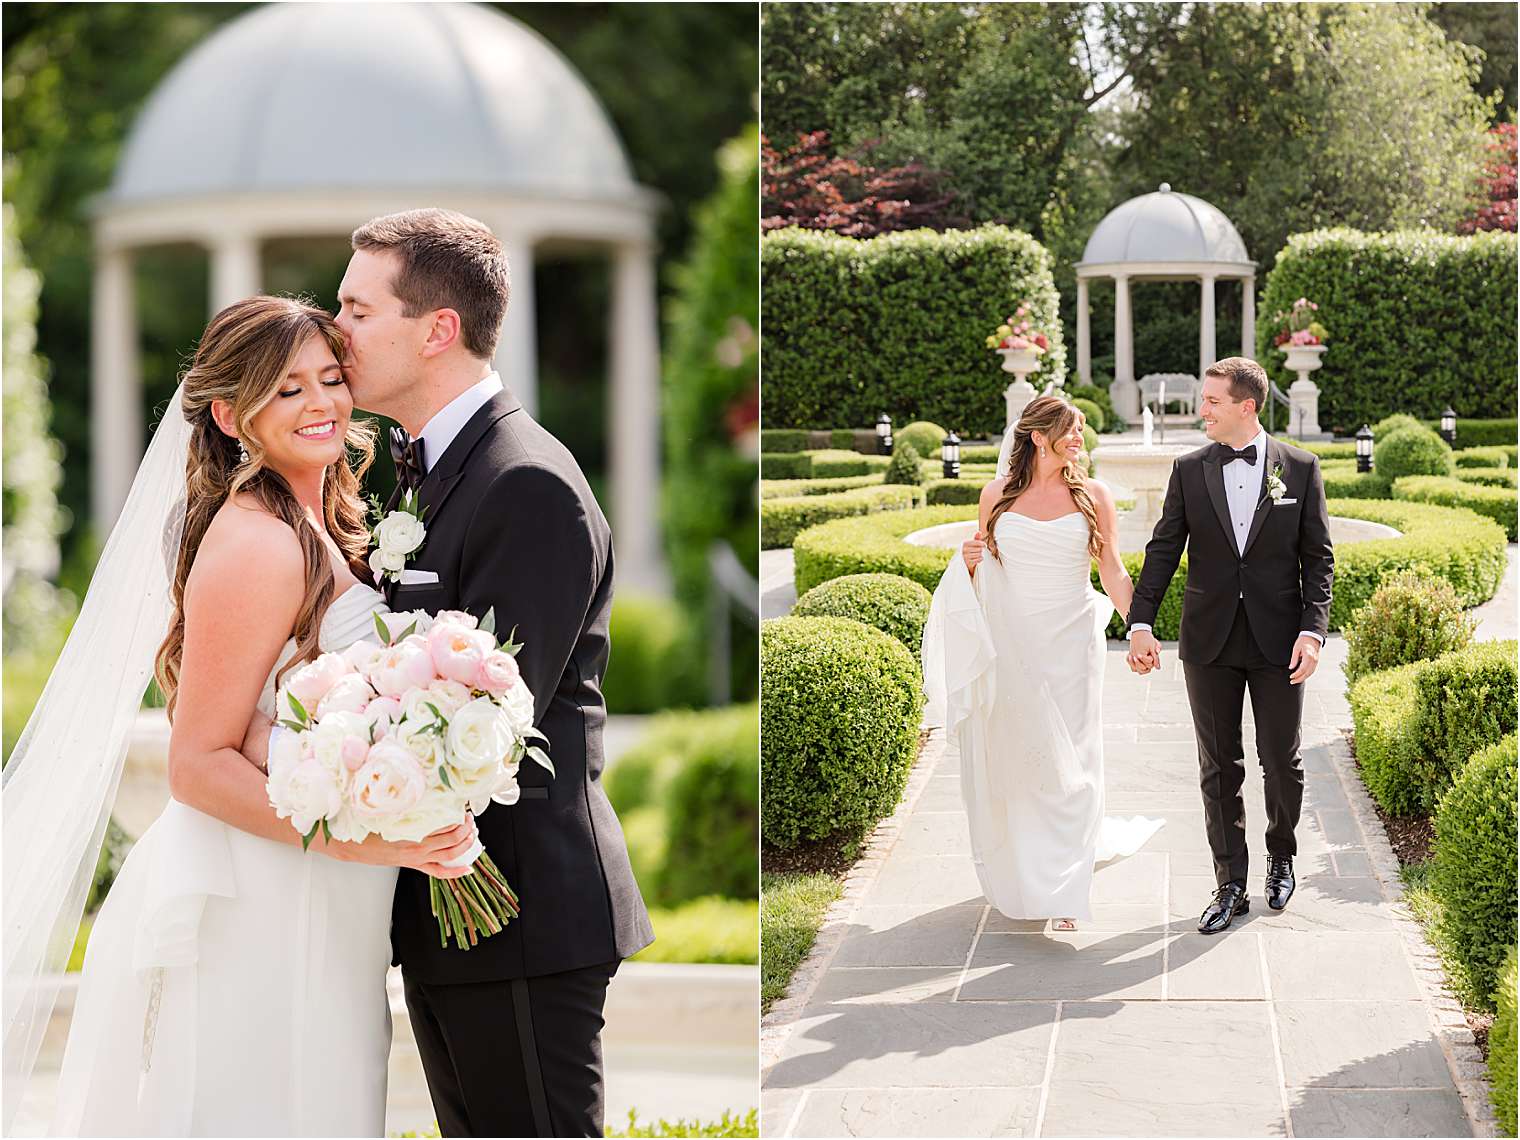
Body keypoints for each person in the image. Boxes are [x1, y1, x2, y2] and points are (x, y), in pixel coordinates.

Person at [6, 296, 479, 1136]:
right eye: (286, 390)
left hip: (324, 891)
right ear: (231, 415)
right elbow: (195, 765)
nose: (322, 404)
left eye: (330, 379)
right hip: (270, 893)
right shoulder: (257, 541)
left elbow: (275, 715)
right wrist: (379, 838)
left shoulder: (314, 520)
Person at [334, 208, 652, 1138]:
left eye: (357, 310)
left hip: (519, 909)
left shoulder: (527, 483)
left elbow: (488, 728)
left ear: (437, 329)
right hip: (450, 911)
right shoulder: (422, 473)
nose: (335, 329)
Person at [923, 395, 1163, 931]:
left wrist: (1139, 627)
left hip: (1073, 644)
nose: (1079, 439)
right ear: (1037, 437)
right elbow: (981, 567)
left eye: (1080, 431)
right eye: (1070, 430)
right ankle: (1030, 865)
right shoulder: (995, 497)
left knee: (1075, 763)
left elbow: (1112, 571)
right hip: (1012, 645)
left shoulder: (1093, 496)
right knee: (1022, 758)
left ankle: (1066, 889)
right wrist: (966, 563)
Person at [1125, 356, 1333, 935]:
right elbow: (1163, 550)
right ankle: (1230, 883)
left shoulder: (1301, 467)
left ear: (1247, 406)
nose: (1201, 410)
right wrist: (1141, 623)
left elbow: (1318, 560)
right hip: (1208, 639)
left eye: (1212, 401)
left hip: (1280, 641)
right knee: (1219, 766)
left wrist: (1313, 633)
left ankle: (1282, 857)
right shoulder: (1189, 469)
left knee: (1282, 762)